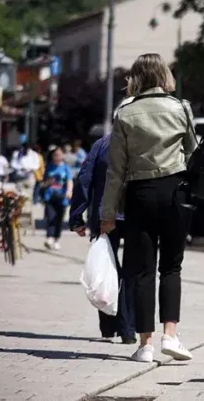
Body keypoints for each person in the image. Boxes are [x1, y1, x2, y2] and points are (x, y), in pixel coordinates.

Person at [101, 53, 198, 363]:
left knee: (142, 271)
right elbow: (193, 152)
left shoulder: (125, 114)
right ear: (164, 76)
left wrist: (107, 213)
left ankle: (145, 344)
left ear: (136, 78)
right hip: (175, 192)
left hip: (139, 193)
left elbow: (115, 169)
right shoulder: (181, 108)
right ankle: (171, 335)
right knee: (171, 266)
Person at [70, 98, 137, 344]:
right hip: (134, 216)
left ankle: (109, 327)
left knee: (105, 268)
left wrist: (76, 215)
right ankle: (128, 330)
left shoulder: (101, 144)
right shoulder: (142, 146)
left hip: (102, 216)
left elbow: (84, 179)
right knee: (131, 271)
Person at [40, 147, 73, 250]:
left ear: (62, 156)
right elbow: (43, 183)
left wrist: (69, 191)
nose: (57, 157)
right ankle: (49, 237)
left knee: (59, 219)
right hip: (50, 196)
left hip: (62, 197)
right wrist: (47, 182)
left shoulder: (66, 167)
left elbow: (69, 180)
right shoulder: (49, 166)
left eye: (59, 155)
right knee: (50, 217)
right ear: (52, 156)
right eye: (55, 155)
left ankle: (56, 239)